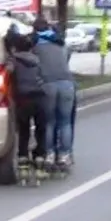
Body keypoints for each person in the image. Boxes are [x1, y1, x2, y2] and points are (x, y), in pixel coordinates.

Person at [31, 18, 76, 169]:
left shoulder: (35, 45)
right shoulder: (60, 43)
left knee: (50, 122)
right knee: (65, 121)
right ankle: (64, 155)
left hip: (48, 84)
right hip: (67, 84)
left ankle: (49, 154)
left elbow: (34, 65)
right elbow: (67, 59)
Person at [6, 35, 47, 177]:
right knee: (40, 130)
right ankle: (40, 157)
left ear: (15, 47)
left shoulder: (13, 60)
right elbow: (43, 77)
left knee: (24, 131)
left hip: (23, 99)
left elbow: (7, 73)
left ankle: (23, 158)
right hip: (39, 98)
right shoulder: (37, 60)